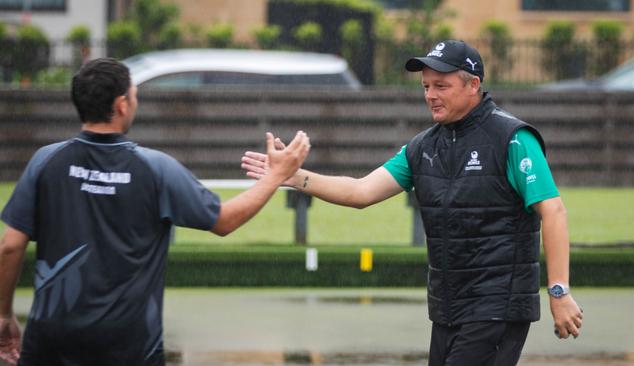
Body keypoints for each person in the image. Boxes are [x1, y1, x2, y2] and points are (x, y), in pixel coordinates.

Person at [242, 40, 583, 365]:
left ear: (473, 84)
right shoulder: (422, 148)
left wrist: (558, 292)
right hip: (447, 306)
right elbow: (360, 192)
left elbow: (553, 211)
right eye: (425, 87)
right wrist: (292, 176)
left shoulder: (513, 138)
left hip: (497, 305)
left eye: (441, 86)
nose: (430, 95)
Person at [0, 58, 310, 366]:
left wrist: (3, 315)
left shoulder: (45, 161)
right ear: (122, 104)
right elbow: (224, 220)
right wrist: (275, 176)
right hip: (130, 348)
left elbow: (10, 246)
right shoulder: (154, 169)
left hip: (49, 343)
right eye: (134, 94)